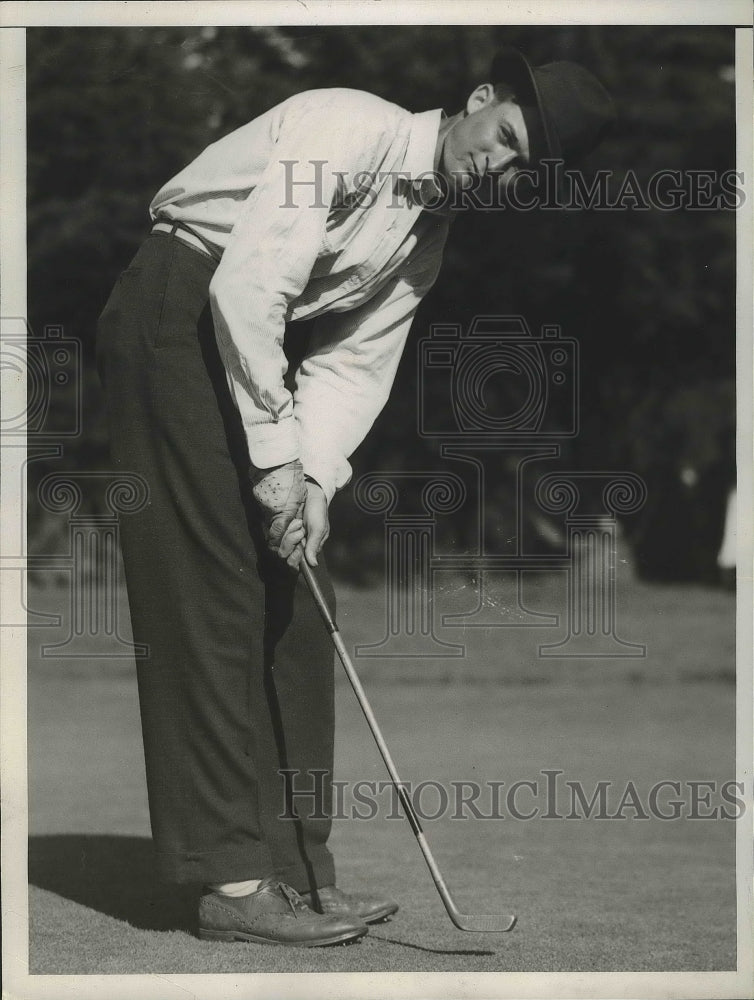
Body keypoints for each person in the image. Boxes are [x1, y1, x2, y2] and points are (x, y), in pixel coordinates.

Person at [96, 46, 615, 948]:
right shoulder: (349, 126)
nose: (499, 167)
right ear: (477, 98)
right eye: (503, 139)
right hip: (174, 311)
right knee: (215, 592)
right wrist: (274, 462)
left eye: (522, 166)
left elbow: (352, 367)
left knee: (300, 597)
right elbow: (248, 287)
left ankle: (297, 872)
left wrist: (316, 477)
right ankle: (229, 880)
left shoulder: (431, 234)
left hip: (249, 351)